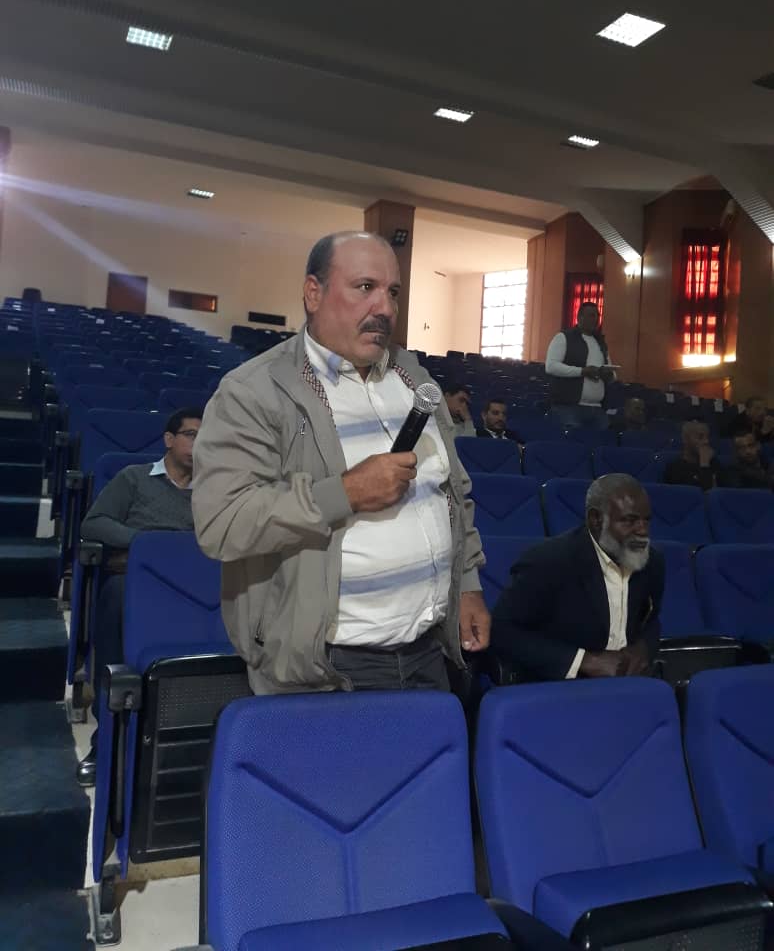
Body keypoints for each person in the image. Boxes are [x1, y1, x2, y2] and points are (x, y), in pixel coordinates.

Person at [192, 231, 490, 697]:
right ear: (313, 293)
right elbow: (223, 522)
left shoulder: (413, 377)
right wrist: (345, 493)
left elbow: (453, 492)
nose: (385, 308)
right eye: (365, 287)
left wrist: (467, 584)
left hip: (429, 651)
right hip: (328, 666)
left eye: (393, 292)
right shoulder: (253, 392)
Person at [75, 407, 203, 786]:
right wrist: (148, 544)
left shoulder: (213, 491)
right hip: (136, 581)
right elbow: (94, 523)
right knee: (116, 597)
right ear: (169, 439)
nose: (199, 444)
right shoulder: (134, 478)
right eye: (191, 435)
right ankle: (106, 743)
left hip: (193, 585)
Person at [490, 474, 663, 682]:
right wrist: (585, 661)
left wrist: (643, 648)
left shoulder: (652, 562)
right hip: (560, 687)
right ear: (595, 519)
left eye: (646, 520)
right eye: (629, 520)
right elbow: (501, 631)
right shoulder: (548, 562)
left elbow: (651, 621)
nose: (642, 531)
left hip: (629, 684)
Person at [545, 301, 616, 429]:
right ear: (579, 317)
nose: (595, 319)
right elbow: (551, 366)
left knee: (605, 438)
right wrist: (582, 371)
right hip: (568, 407)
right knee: (573, 440)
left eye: (597, 316)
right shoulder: (564, 337)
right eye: (591, 315)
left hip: (597, 408)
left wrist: (610, 375)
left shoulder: (600, 342)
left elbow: (609, 368)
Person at [663, 420, 721, 491]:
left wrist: (705, 463)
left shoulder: (714, 464)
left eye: (707, 437)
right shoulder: (674, 467)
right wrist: (704, 463)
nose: (706, 441)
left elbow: (712, 494)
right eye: (700, 437)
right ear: (685, 439)